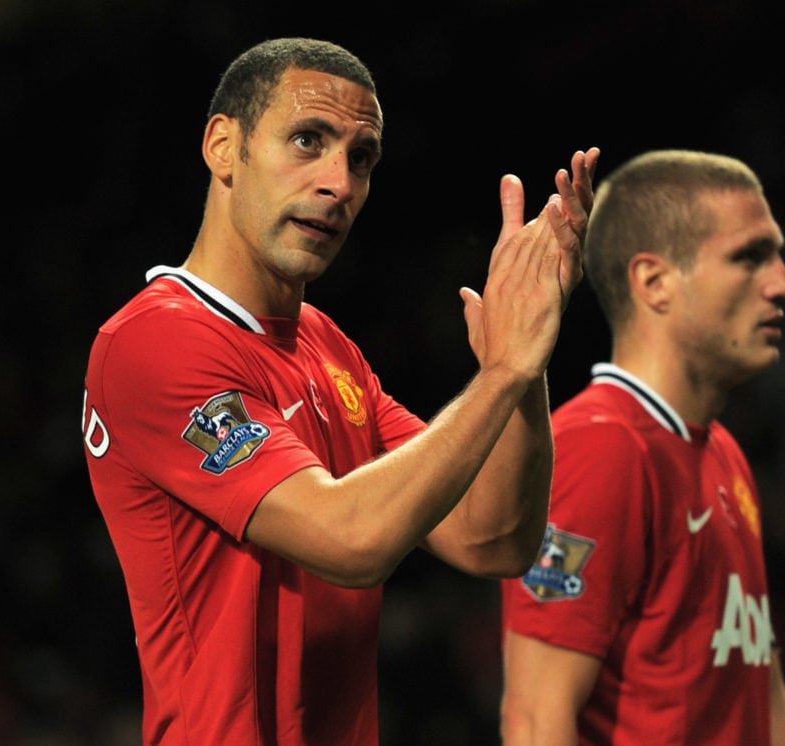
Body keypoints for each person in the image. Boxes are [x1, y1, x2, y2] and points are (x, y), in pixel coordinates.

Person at [79, 36, 600, 745]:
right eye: (307, 140)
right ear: (224, 147)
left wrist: (525, 366)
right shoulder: (151, 343)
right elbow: (352, 539)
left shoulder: (328, 345)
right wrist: (501, 372)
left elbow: (495, 539)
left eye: (361, 159)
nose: (340, 184)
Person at [499, 150, 785, 745]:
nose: (783, 283)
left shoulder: (722, 452)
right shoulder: (600, 450)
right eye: (749, 258)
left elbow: (765, 704)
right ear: (654, 282)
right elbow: (535, 720)